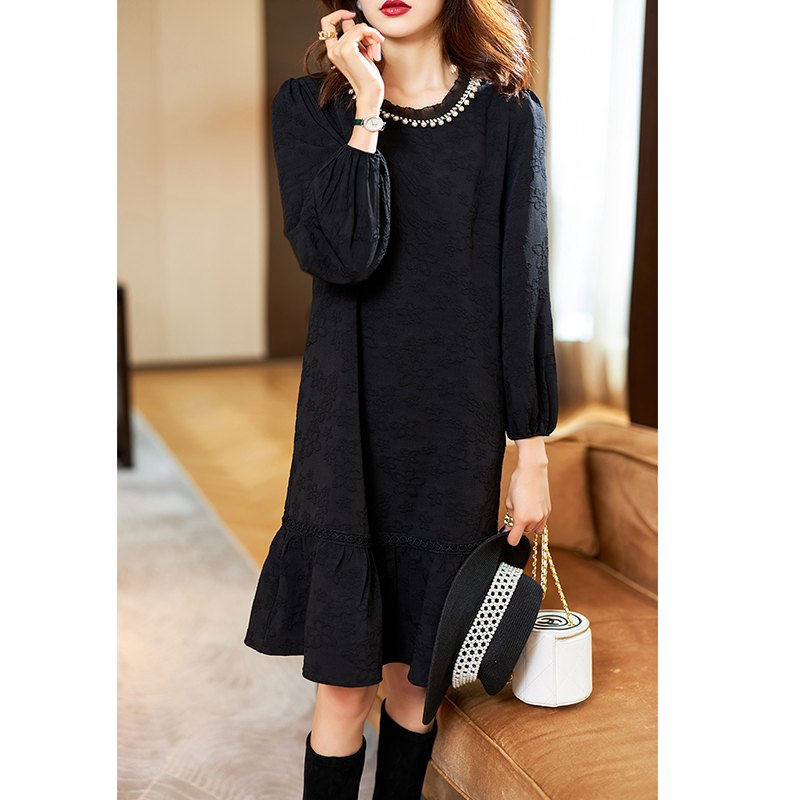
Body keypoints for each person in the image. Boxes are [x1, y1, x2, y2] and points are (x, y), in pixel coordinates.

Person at [243, 1, 558, 797]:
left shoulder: (510, 116)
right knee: (344, 691)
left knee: (418, 689)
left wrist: (531, 454)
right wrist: (368, 106)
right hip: (347, 424)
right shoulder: (307, 106)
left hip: (454, 432)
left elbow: (522, 290)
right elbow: (343, 255)